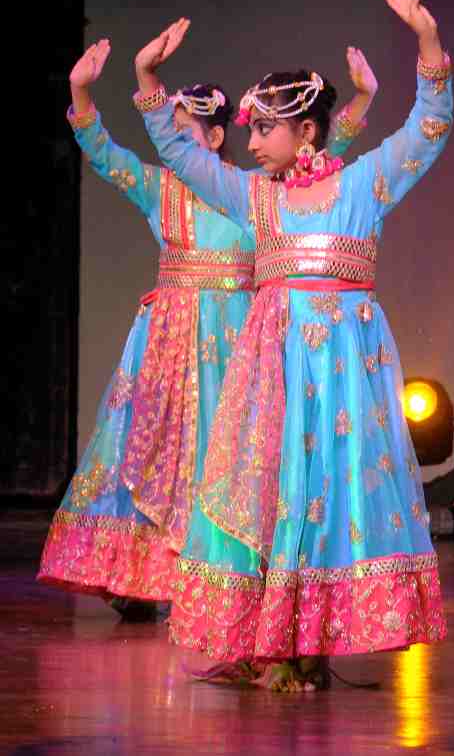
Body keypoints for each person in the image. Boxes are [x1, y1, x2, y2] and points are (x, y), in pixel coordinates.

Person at [137, 0, 451, 691]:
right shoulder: (258, 197)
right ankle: (272, 644)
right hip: (274, 367)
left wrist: (428, 42)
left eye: (264, 132)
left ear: (306, 132)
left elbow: (430, 126)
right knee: (276, 493)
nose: (250, 145)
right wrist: (150, 84)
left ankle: (313, 642)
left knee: (335, 492)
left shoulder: (366, 183)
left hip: (342, 369)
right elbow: (183, 159)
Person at [39, 34, 367, 617]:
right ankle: (144, 578)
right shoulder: (162, 189)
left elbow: (322, 150)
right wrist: (80, 92)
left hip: (239, 335)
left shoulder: (261, 193)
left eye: (186, 128)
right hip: (169, 341)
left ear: (216, 138)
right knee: (156, 450)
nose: (175, 140)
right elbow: (106, 155)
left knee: (231, 455)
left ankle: (225, 576)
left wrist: (360, 103)